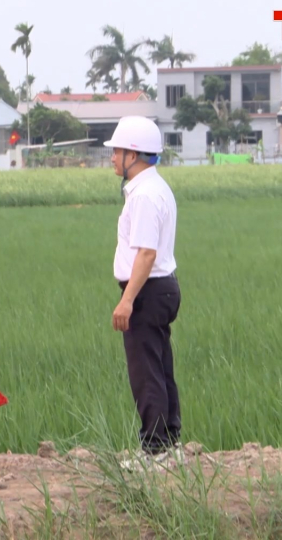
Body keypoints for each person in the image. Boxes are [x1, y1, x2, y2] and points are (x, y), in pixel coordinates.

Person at [105, 115, 183, 470]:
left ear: (133, 154)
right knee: (160, 366)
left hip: (148, 291)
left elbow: (146, 253)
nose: (111, 158)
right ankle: (169, 443)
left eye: (116, 151)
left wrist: (127, 300)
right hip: (161, 289)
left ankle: (154, 451)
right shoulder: (155, 187)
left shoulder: (145, 195)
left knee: (145, 370)